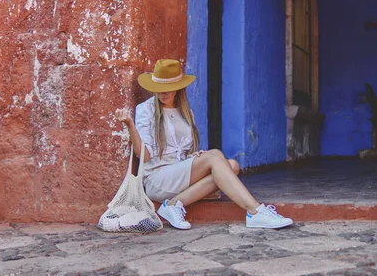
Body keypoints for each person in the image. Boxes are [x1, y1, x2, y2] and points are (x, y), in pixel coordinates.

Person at [114, 59, 293, 230]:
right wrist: (130, 126)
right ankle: (255, 211)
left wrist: (192, 157)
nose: (163, 93)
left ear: (178, 88)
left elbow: (182, 152)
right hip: (158, 179)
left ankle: (174, 205)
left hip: (180, 174)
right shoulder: (146, 110)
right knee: (215, 156)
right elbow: (144, 156)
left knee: (232, 166)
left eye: (168, 88)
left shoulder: (186, 113)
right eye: (159, 88)